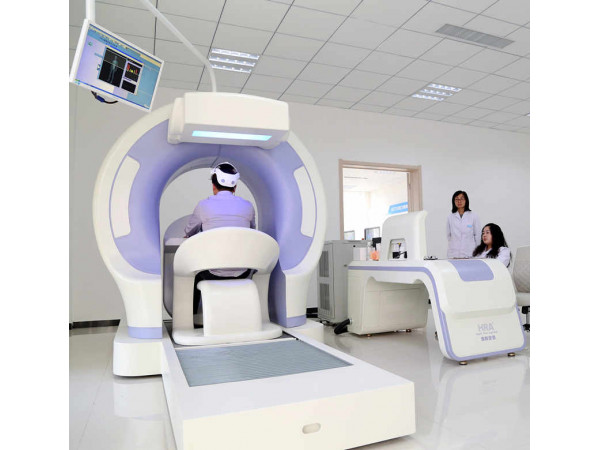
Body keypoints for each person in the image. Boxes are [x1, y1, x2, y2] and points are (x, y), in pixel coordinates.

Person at [183, 162, 256, 316]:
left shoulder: (203, 206)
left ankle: (193, 319)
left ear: (213, 186)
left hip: (212, 272)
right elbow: (252, 233)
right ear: (235, 187)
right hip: (242, 271)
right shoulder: (248, 206)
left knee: (194, 274)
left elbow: (189, 232)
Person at [446, 190, 481, 259]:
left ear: (466, 200)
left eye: (462, 199)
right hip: (454, 254)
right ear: (454, 201)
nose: (459, 201)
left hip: (470, 253)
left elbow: (477, 235)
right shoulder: (450, 217)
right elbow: (448, 235)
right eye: (457, 199)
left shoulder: (473, 216)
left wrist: (477, 252)